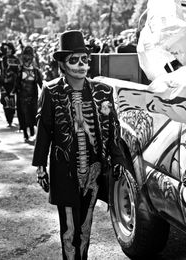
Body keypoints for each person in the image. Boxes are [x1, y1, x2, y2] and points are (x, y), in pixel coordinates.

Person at [32, 30, 126, 260]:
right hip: (64, 170)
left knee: (85, 226)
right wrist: (40, 165)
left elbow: (113, 128)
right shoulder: (52, 91)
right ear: (62, 65)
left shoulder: (103, 91)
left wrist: (118, 159)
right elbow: (43, 129)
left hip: (93, 171)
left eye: (85, 59)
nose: (82, 64)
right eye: (74, 60)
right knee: (68, 229)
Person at [16, 45, 43, 142]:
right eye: (25, 56)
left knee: (32, 113)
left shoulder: (35, 71)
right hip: (22, 96)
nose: (27, 59)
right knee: (23, 114)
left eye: (29, 56)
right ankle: (25, 133)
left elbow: (41, 84)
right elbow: (16, 83)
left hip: (33, 96)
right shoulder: (20, 70)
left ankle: (32, 130)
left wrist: (45, 93)